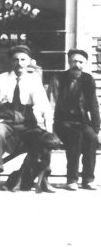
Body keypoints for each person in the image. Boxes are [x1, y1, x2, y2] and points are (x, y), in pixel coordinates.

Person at [0, 44, 56, 193]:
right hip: (6, 123)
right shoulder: (1, 79)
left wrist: (49, 129)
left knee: (46, 138)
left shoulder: (34, 80)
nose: (19, 63)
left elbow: (45, 108)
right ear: (10, 62)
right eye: (16, 60)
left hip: (27, 125)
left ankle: (44, 179)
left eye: (23, 59)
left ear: (29, 61)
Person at [48, 48, 100, 191]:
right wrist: (49, 129)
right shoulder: (58, 78)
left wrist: (96, 129)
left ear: (85, 64)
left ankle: (88, 179)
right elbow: (50, 103)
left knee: (91, 137)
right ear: (69, 62)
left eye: (80, 62)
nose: (77, 64)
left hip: (82, 121)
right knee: (75, 137)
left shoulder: (88, 79)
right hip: (62, 122)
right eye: (74, 61)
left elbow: (94, 106)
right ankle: (72, 179)